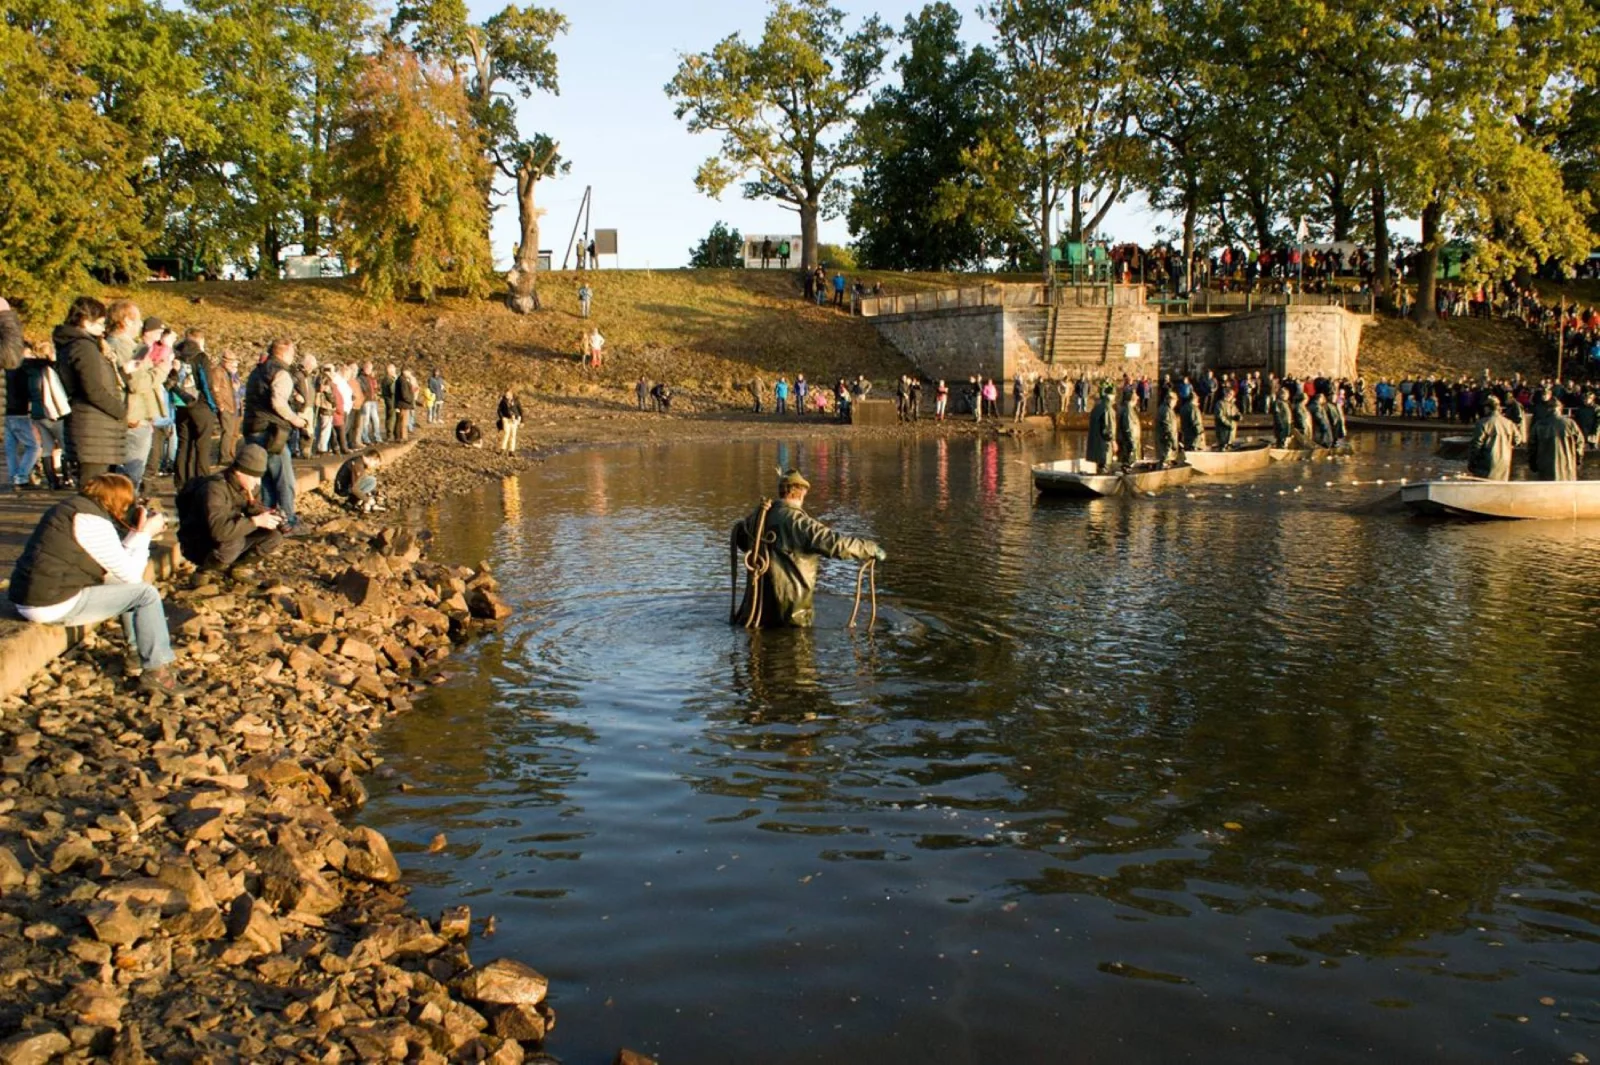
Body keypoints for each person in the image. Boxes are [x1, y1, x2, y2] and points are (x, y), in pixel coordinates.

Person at [7, 473, 185, 695]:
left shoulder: (75, 509)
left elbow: (116, 562)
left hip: (38, 593)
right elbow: (131, 575)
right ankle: (157, 671)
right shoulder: (91, 522)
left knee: (129, 588)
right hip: (49, 603)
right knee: (145, 595)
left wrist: (136, 534)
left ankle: (137, 652)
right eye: (129, 503)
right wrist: (145, 534)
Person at [729, 469, 885, 628]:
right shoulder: (799, 522)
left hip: (755, 616)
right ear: (800, 493)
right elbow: (835, 544)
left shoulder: (757, 518)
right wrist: (870, 548)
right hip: (790, 617)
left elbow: (742, 541)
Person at [175, 444, 285, 578]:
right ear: (239, 472)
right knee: (234, 542)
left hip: (225, 535)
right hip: (199, 541)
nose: (258, 483)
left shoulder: (248, 486)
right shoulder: (214, 489)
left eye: (260, 477)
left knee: (273, 536)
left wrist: (270, 517)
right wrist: (256, 521)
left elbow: (252, 508)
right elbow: (219, 531)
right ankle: (205, 571)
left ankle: (238, 569)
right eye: (254, 477)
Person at [54, 297, 126, 483]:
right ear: (86, 321)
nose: (103, 328)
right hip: (93, 428)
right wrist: (120, 410)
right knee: (94, 488)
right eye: (100, 323)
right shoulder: (83, 347)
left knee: (98, 489)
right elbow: (92, 389)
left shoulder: (75, 345)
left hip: (93, 428)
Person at [242, 339, 309, 530]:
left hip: (252, 428)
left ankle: (270, 519)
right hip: (271, 432)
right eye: (292, 352)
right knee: (284, 478)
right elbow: (278, 403)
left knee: (265, 479)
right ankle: (289, 521)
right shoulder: (281, 373)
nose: (293, 356)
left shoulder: (258, 371)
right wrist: (297, 421)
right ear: (285, 353)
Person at [21, 340, 72, 490]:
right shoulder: (47, 370)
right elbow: (54, 392)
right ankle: (67, 477)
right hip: (52, 413)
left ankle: (52, 480)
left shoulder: (29, 371)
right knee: (64, 446)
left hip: (37, 414)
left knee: (47, 448)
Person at [1528, 387, 1583, 481]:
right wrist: (1577, 460)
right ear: (1560, 409)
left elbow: (1532, 447)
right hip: (1567, 465)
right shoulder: (1570, 423)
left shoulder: (1539, 425)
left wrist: (1533, 464)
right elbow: (1580, 443)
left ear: (1547, 409)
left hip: (1545, 466)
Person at [1466, 395, 1520, 481]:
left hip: (1486, 463)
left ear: (1487, 408)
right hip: (1504, 462)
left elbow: (1476, 444)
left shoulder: (1482, 423)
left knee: (1483, 490)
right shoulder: (1509, 423)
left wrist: (1471, 462)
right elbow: (1517, 440)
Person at [1087, 385, 1115, 473]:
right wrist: (1113, 441)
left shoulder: (1096, 407)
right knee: (1104, 468)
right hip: (1104, 447)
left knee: (1099, 467)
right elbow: (1107, 428)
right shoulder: (1107, 408)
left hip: (1095, 446)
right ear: (1112, 396)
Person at [1116, 388, 1142, 466]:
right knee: (1129, 464)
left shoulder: (1128, 409)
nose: (1137, 401)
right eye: (1136, 399)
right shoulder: (1128, 411)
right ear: (1133, 400)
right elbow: (1128, 428)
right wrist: (1132, 445)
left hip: (1128, 444)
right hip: (1128, 445)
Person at [1155, 390, 1180, 466]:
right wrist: (1174, 443)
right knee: (1165, 459)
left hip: (1165, 439)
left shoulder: (1165, 409)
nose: (1175, 404)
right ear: (1171, 400)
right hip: (1166, 441)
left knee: (1164, 459)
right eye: (1175, 401)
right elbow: (1168, 428)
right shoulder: (1166, 411)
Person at [392, 366, 417, 443]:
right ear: (404, 372)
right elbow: (404, 394)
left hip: (402, 403)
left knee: (400, 420)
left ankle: (399, 436)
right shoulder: (402, 381)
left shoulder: (401, 380)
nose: (410, 373)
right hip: (403, 404)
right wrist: (410, 400)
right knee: (403, 421)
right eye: (408, 372)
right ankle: (403, 437)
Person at [496, 389, 523, 454]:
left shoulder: (516, 401)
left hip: (515, 419)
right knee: (506, 433)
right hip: (506, 419)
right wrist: (502, 417)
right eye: (506, 394)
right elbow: (499, 410)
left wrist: (522, 421)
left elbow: (520, 411)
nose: (506, 395)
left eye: (507, 394)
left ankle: (511, 451)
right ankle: (502, 449)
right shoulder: (503, 401)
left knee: (513, 435)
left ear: (511, 394)